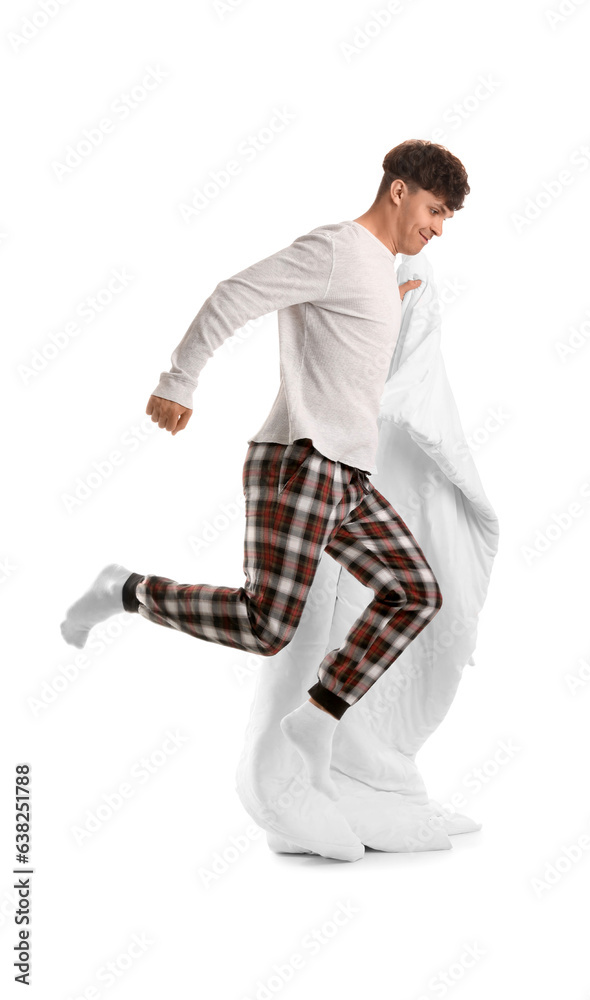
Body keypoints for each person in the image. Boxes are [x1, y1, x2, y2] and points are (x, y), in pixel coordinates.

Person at [61, 138, 470, 802]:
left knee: (416, 591)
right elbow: (236, 293)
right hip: (300, 461)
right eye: (435, 209)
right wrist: (179, 380)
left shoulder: (384, 273)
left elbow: (358, 366)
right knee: (265, 625)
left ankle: (316, 717)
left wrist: (400, 299)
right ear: (399, 190)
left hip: (350, 478)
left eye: (448, 216)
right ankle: (123, 589)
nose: (439, 227)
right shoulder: (338, 248)